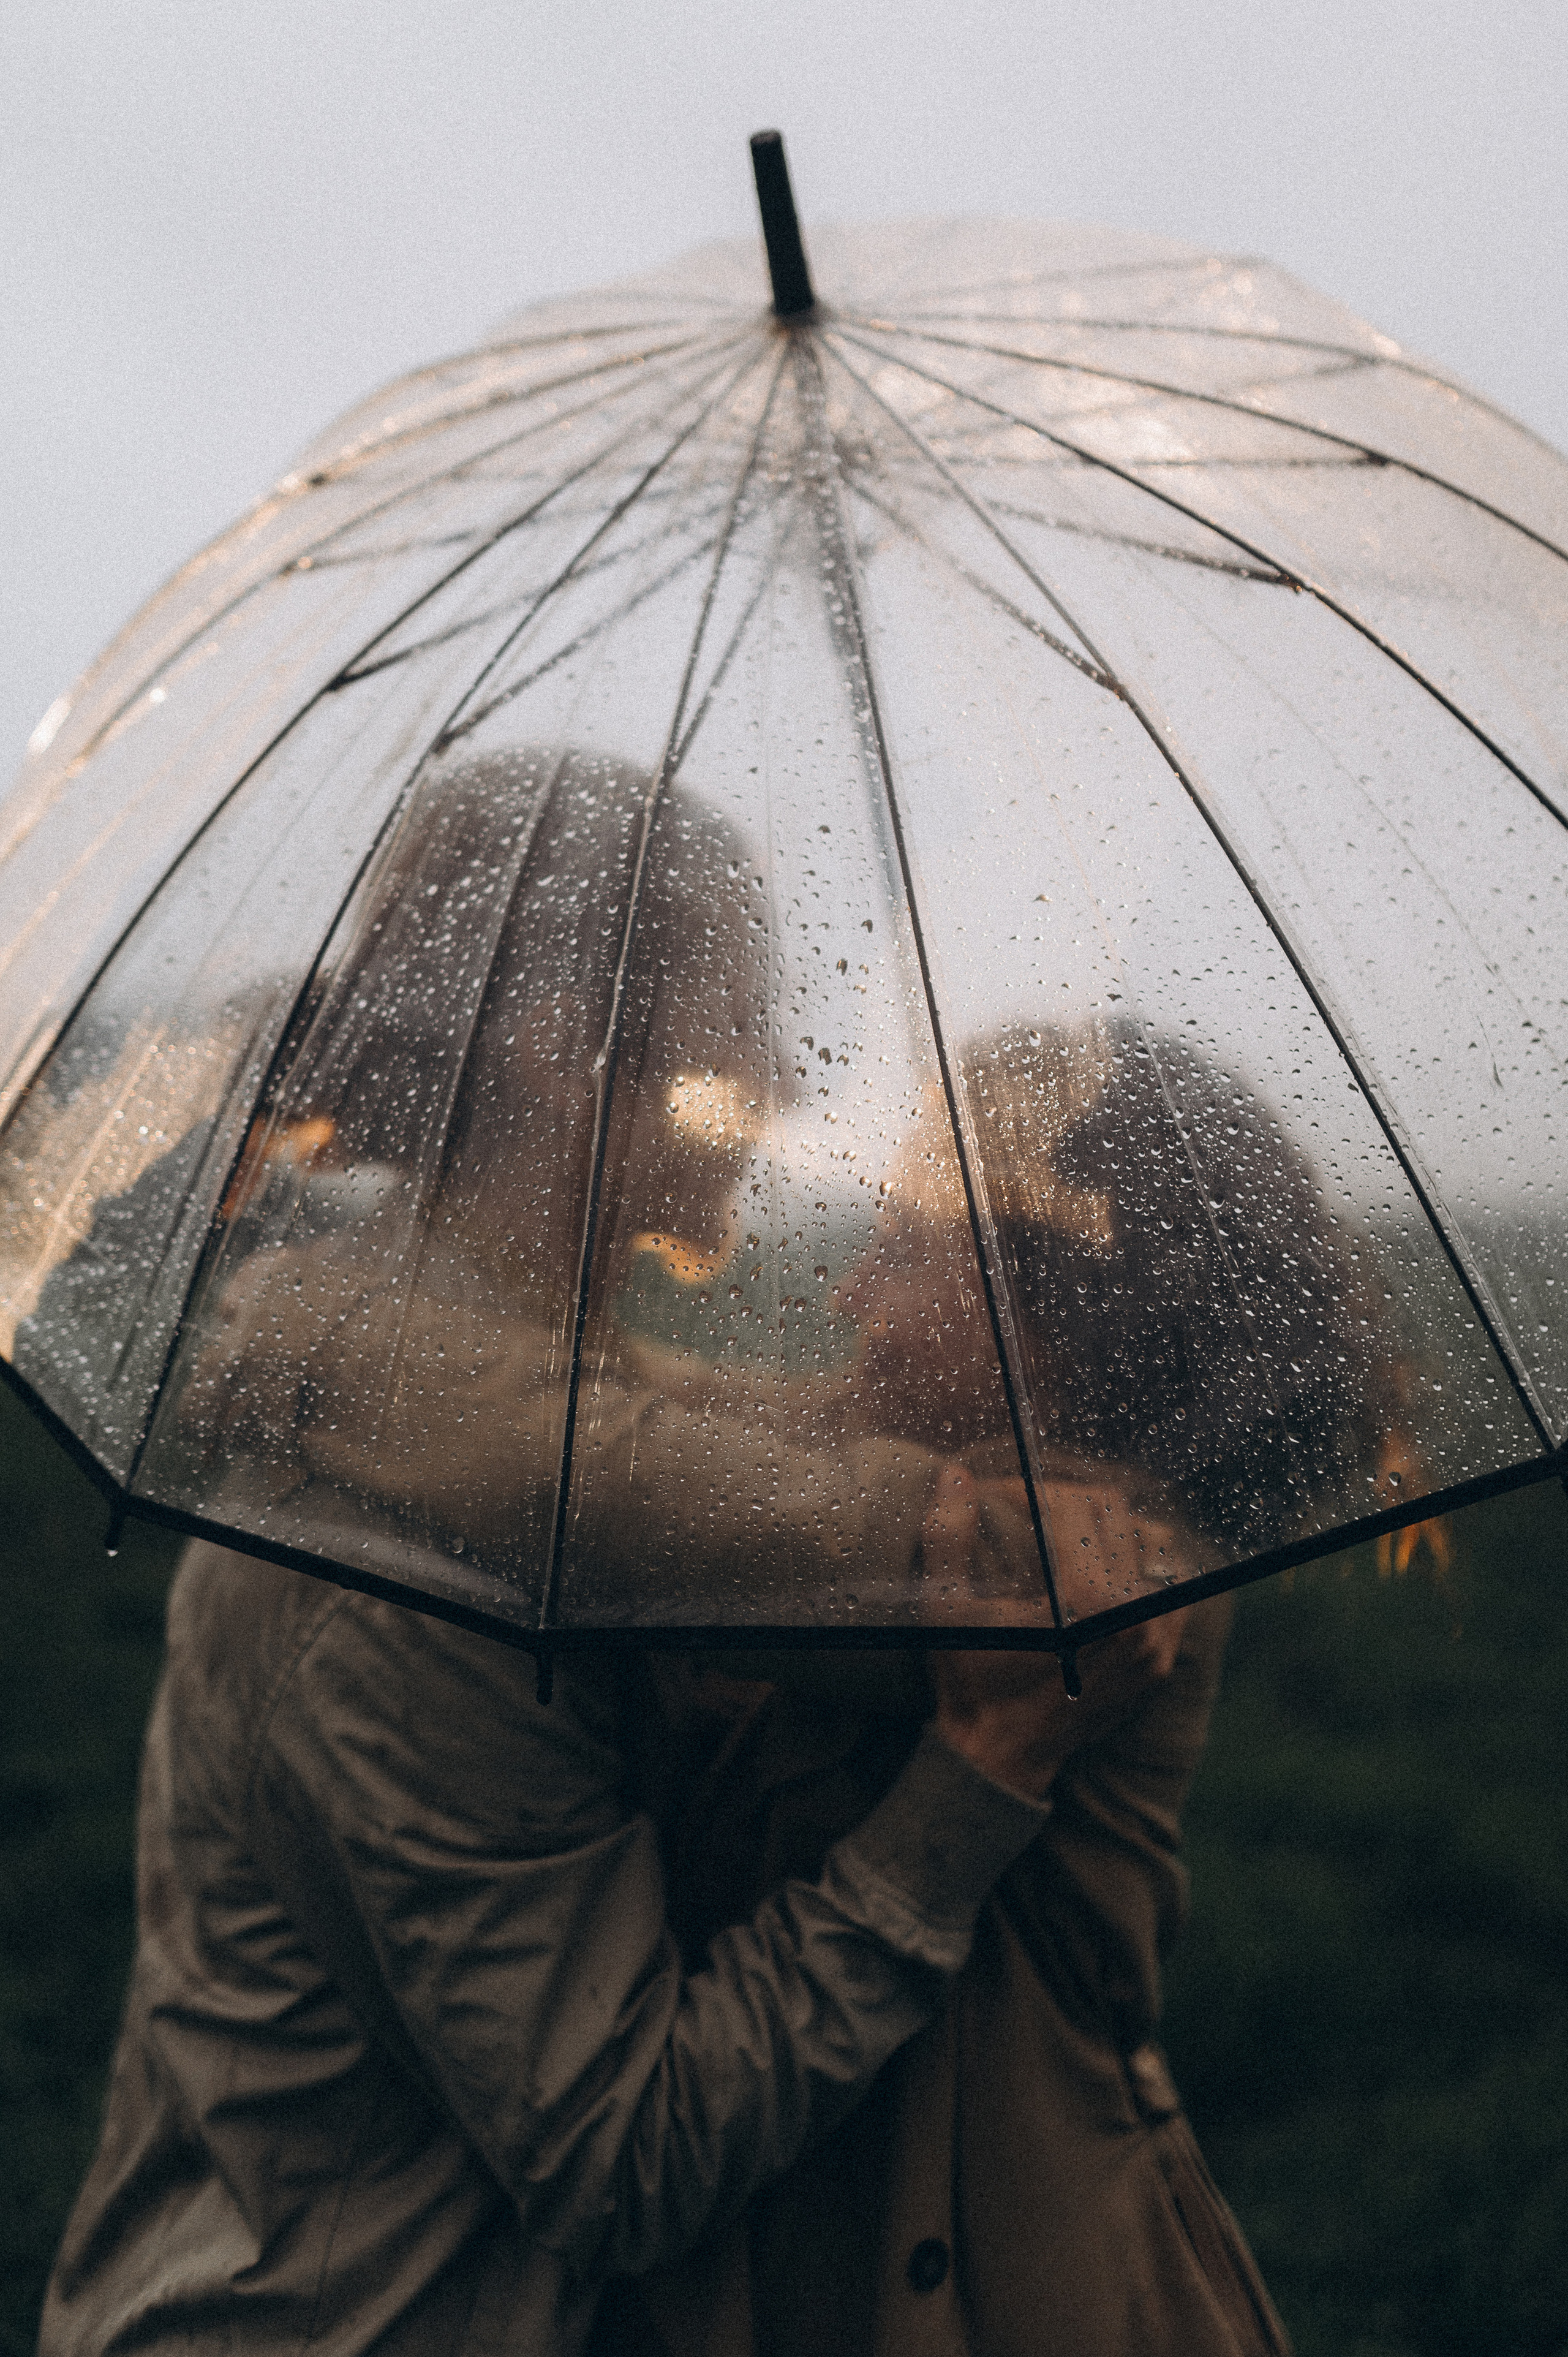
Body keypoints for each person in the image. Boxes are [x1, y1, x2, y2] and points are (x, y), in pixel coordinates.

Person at [42, 755, 1422, 2356]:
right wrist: (316, 1341)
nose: (778, 1069)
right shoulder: (397, 1566)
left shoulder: (1072, 1565)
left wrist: (316, 1335)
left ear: (1053, 1325)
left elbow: (650, 1450)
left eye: (918, 1240)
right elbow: (621, 2152)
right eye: (735, 1030)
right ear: (571, 1059)